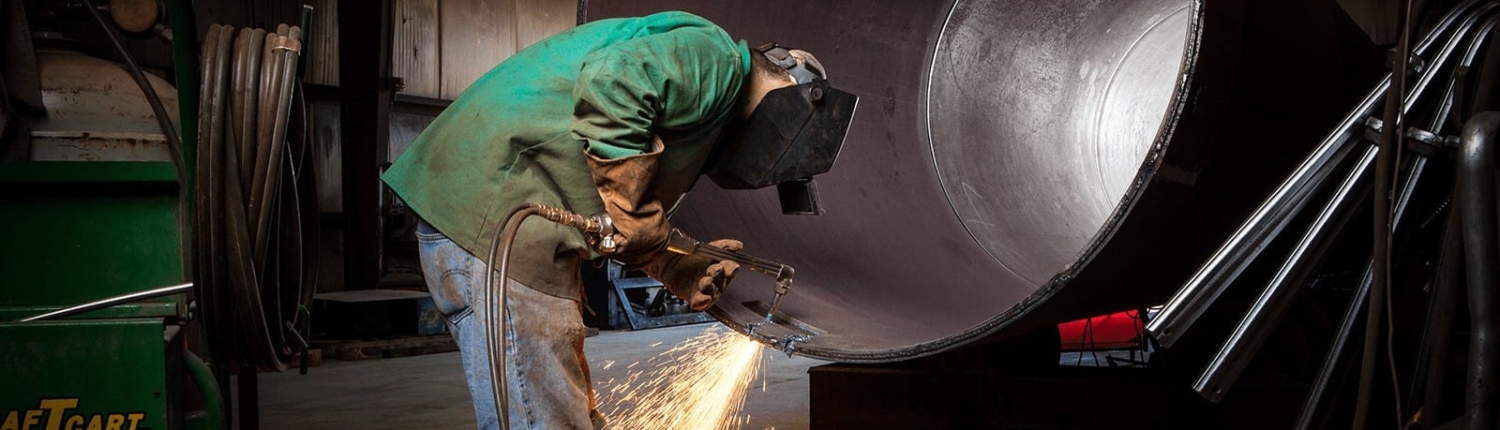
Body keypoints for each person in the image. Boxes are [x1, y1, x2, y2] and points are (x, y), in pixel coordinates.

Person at [381, 10, 854, 430]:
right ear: (790, 92)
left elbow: (620, 202)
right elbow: (613, 83)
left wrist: (674, 263)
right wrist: (634, 214)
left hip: (505, 226)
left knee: (565, 411)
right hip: (496, 214)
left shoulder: (705, 122)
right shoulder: (717, 58)